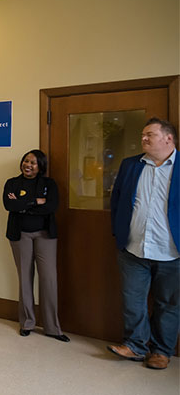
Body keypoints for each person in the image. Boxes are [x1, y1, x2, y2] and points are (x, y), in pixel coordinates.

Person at [107, 117, 179, 370]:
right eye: (142, 135)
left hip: (173, 252)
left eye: (150, 134)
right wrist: (119, 232)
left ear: (168, 138)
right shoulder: (131, 165)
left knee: (168, 304)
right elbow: (117, 201)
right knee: (133, 300)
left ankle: (161, 351)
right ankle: (136, 346)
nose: (144, 139)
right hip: (133, 248)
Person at [3, 149, 69, 342]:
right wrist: (35, 202)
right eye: (25, 161)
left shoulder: (49, 184)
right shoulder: (12, 183)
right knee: (25, 278)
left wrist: (24, 204)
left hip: (45, 236)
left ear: (40, 166)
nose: (28, 165)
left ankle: (52, 327)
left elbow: (51, 206)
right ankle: (27, 323)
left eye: (32, 162)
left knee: (49, 279)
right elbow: (10, 206)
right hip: (19, 235)